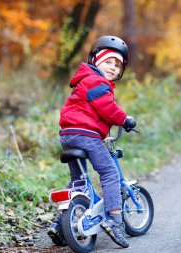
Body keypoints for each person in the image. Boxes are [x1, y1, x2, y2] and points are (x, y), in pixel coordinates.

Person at [47, 35, 136, 248]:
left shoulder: (83, 81)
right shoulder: (97, 82)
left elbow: (91, 110)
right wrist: (125, 120)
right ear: (95, 61)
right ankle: (116, 221)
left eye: (117, 65)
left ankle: (60, 224)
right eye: (108, 62)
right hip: (85, 135)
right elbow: (107, 108)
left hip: (68, 135)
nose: (113, 68)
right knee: (109, 173)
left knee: (78, 180)